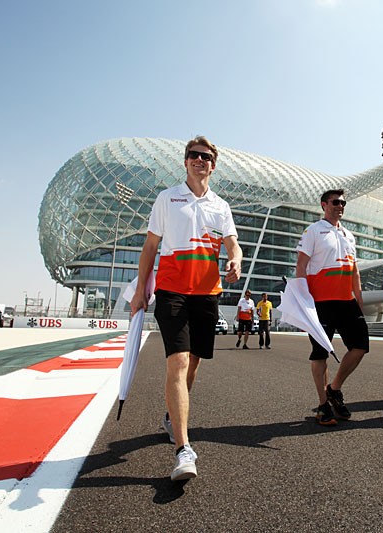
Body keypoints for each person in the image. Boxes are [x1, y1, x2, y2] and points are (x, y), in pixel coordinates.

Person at [131, 136, 242, 481]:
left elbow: (233, 245)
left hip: (207, 294)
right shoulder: (168, 198)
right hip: (172, 291)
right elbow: (151, 246)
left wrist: (236, 261)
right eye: (193, 155)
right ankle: (184, 449)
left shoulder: (220, 206)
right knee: (178, 362)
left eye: (205, 157)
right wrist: (140, 291)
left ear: (213, 164)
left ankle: (171, 415)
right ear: (185, 162)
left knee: (192, 364)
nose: (199, 160)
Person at [296, 189, 369, 426]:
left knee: (360, 347)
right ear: (324, 205)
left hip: (347, 302)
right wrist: (304, 300)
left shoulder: (348, 234)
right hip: (321, 303)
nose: (340, 206)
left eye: (343, 203)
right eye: (335, 202)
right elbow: (301, 266)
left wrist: (359, 299)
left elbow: (355, 270)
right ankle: (322, 404)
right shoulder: (314, 230)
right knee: (320, 353)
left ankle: (334, 388)